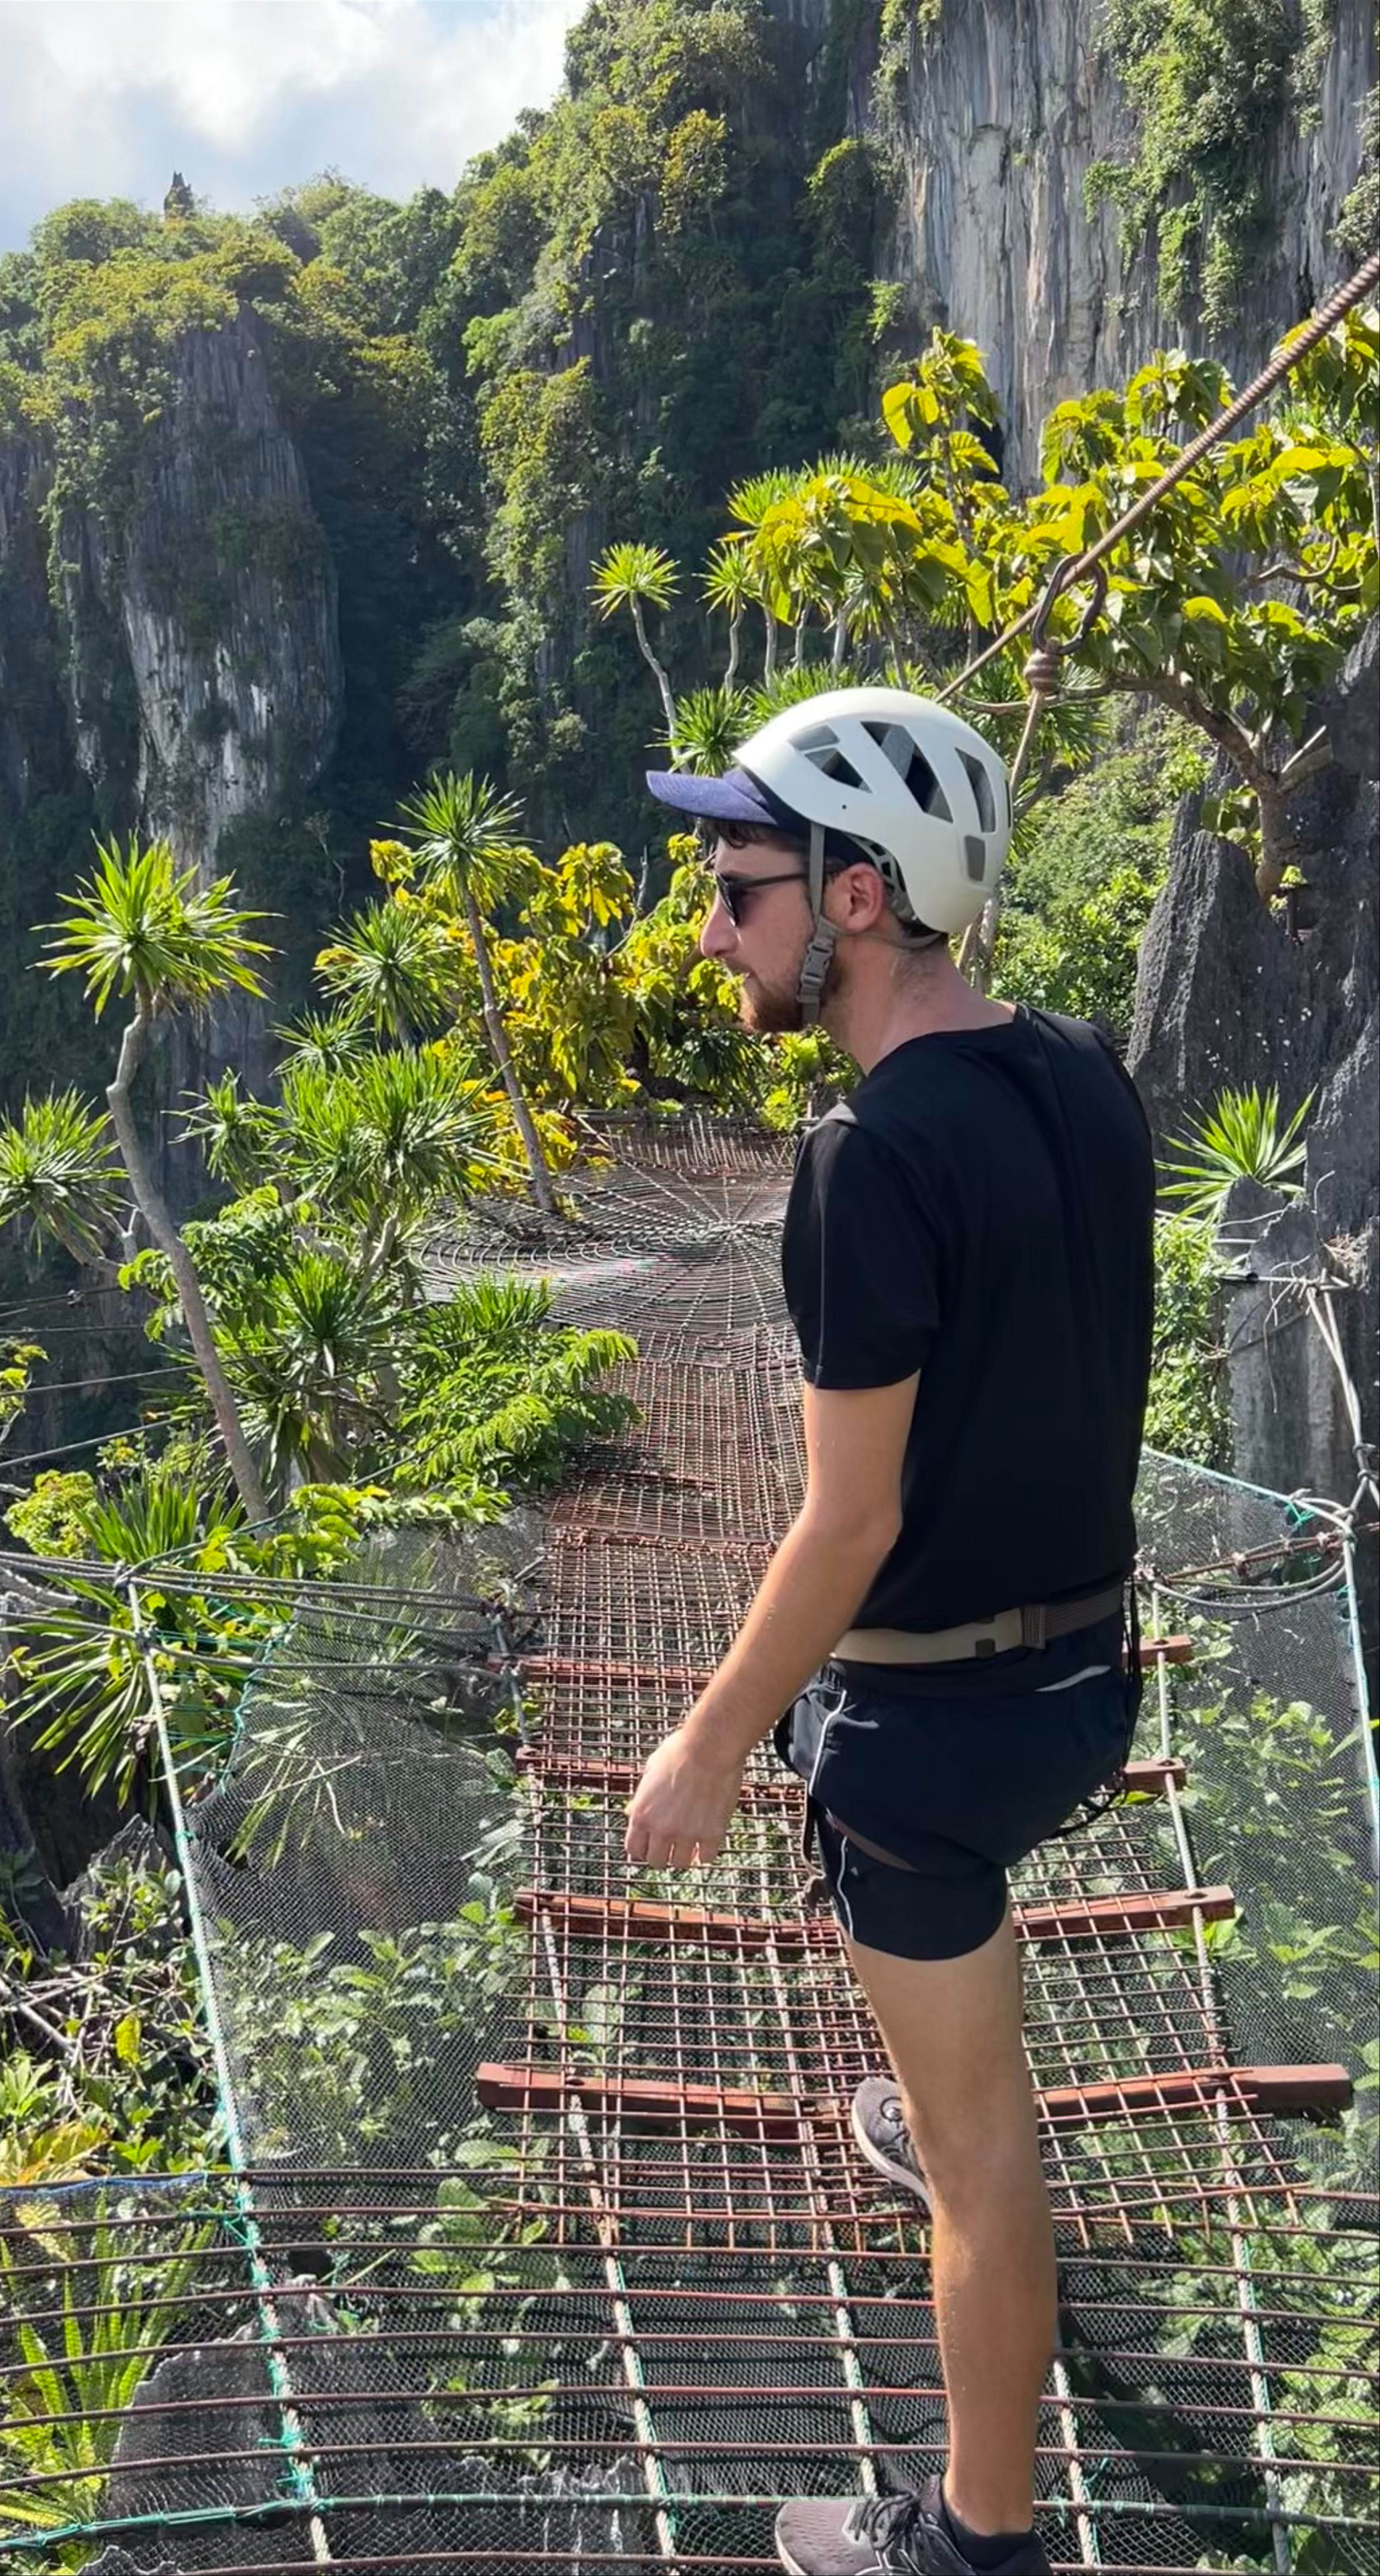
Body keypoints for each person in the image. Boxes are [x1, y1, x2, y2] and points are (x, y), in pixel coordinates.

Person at [626, 687, 1155, 2576]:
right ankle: (937, 2095)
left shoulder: (869, 1160)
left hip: (939, 1745)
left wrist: (698, 1748)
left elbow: (847, 1526)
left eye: (738, 883)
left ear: (857, 897)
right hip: (1089, 1676)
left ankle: (977, 2537)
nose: (710, 926)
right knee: (953, 2080)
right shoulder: (1082, 1073)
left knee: (980, 2162)